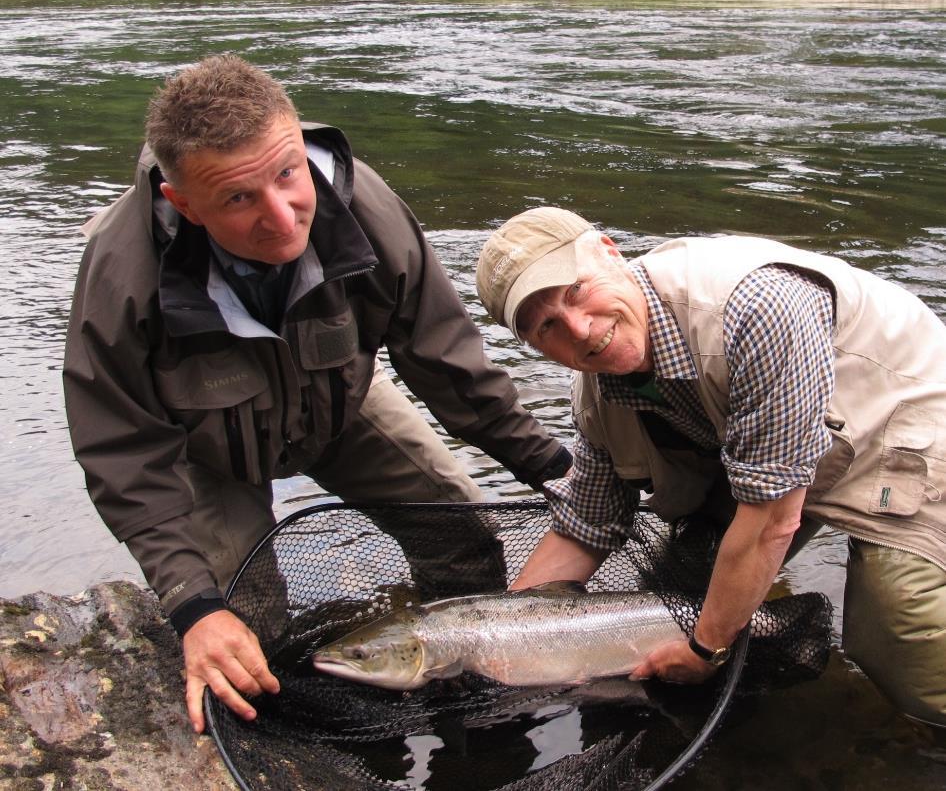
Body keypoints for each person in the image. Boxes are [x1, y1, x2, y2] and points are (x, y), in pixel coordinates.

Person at [62, 56, 571, 735]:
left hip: (344, 404)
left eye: (287, 174)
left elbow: (447, 365)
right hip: (203, 451)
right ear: (183, 203)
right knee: (247, 632)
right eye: (239, 198)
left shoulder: (367, 213)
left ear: (300, 145)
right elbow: (123, 452)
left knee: (466, 536)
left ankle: (475, 726)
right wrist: (192, 605)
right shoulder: (123, 275)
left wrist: (548, 466)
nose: (282, 217)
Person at [476, 206, 946, 728]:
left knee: (899, 635)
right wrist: (491, 632)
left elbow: (770, 521)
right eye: (548, 326)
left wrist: (706, 649)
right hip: (768, 457)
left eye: (576, 292)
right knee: (686, 583)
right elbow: (587, 525)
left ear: (610, 252)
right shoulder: (596, 396)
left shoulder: (757, 308)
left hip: (898, 421)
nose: (581, 329)